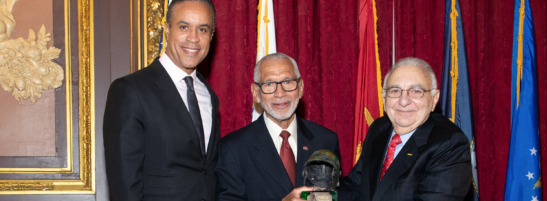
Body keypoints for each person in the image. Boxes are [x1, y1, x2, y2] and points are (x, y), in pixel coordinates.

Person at [103, 0, 219, 200]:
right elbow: (124, 185)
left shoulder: (209, 95)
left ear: (211, 35)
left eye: (202, 29)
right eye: (184, 27)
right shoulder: (130, 90)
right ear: (167, 29)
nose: (193, 38)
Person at [339, 57, 472, 201]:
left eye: (416, 91)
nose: (403, 101)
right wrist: (317, 195)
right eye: (395, 90)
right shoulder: (379, 128)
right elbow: (356, 185)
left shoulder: (449, 144)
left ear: (434, 99)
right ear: (384, 98)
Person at [215, 53, 341, 201]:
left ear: (300, 88)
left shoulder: (325, 140)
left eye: (287, 82)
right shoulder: (233, 149)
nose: (280, 93)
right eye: (269, 84)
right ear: (256, 93)